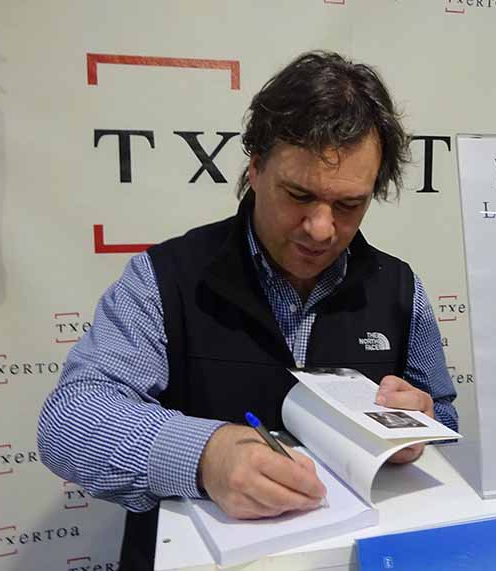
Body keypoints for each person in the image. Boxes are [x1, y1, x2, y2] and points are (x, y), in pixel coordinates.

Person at [37, 51, 457, 571]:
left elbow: (445, 418)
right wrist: (203, 455)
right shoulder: (166, 278)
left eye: (349, 205)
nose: (321, 228)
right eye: (298, 195)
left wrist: (418, 428)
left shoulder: (398, 287)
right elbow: (70, 420)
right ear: (254, 167)